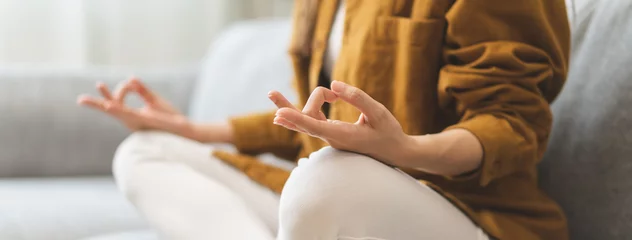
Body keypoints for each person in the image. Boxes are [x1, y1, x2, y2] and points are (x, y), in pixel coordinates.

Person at [77, 0, 570, 239]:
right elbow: (322, 116)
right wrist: (193, 130)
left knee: (328, 178)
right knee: (145, 152)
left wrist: (404, 150)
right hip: (330, 197)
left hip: (468, 214)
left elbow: (512, 123)